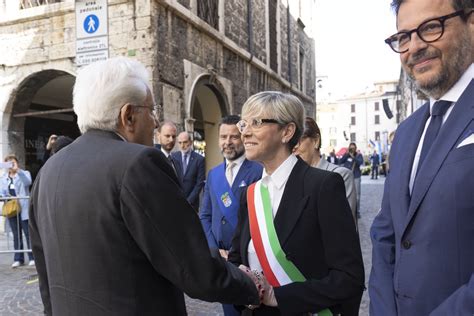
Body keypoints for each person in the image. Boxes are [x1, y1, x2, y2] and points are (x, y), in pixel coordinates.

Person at [29, 57, 261, 316]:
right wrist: (252, 286)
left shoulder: (48, 170)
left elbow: (45, 276)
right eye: (151, 111)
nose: (155, 122)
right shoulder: (138, 163)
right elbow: (192, 267)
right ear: (128, 116)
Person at [370, 0, 474, 315]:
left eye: (430, 28)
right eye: (403, 37)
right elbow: (385, 235)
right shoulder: (404, 134)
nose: (414, 47)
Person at [228, 91, 364, 315]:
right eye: (244, 124)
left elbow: (349, 277)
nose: (245, 133)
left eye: (257, 122)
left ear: (287, 131)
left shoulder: (323, 186)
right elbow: (236, 260)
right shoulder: (250, 194)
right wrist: (243, 288)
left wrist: (278, 296)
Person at [200, 115, 262, 316]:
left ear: (243, 137)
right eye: (223, 136)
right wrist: (214, 249)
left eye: (234, 137)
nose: (227, 142)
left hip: (249, 258)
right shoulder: (213, 174)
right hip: (223, 261)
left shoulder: (258, 171)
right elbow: (205, 215)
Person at [293, 117, 358, 225]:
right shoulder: (292, 178)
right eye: (291, 143)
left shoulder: (340, 175)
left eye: (299, 140)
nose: (294, 147)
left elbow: (344, 227)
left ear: (316, 141)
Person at [1, 155, 34, 267]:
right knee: (16, 235)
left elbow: (27, 182)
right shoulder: (4, 177)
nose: (10, 165)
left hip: (23, 207)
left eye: (12, 162)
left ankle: (32, 257)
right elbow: (1, 192)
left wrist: (17, 170)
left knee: (28, 233)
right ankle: (18, 258)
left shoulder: (24, 173)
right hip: (12, 209)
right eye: (8, 163)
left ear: (17, 162)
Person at [171, 131, 205, 211]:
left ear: (191, 142)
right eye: (180, 143)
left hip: (192, 204)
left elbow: (199, 183)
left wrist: (188, 201)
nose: (182, 146)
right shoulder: (173, 157)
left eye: (185, 142)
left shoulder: (199, 159)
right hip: (176, 202)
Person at [339, 142, 364, 218]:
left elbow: (360, 162)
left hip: (356, 176)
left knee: (357, 195)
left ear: (355, 148)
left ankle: (357, 211)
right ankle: (347, 210)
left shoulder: (359, 155)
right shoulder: (347, 155)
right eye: (351, 148)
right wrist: (347, 154)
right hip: (347, 177)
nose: (352, 149)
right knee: (346, 194)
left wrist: (353, 157)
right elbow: (340, 161)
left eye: (353, 148)